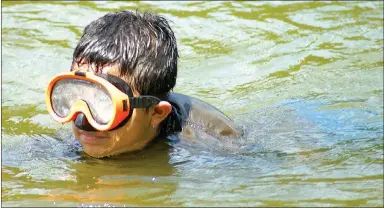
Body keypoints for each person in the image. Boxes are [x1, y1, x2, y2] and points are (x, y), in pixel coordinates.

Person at [46, 10, 243, 158]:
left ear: (156, 113)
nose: (82, 121)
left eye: (103, 104)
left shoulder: (212, 146)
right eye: (74, 96)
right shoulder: (85, 137)